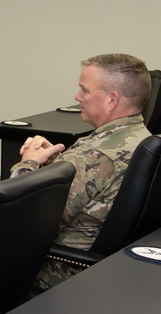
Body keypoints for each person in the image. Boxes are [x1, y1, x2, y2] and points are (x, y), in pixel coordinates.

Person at [10, 53, 151, 290]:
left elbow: (21, 222)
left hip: (60, 271)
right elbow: (95, 182)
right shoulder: (142, 139)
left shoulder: (95, 157)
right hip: (116, 268)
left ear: (111, 100)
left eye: (84, 90)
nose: (77, 97)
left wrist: (28, 164)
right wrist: (58, 163)